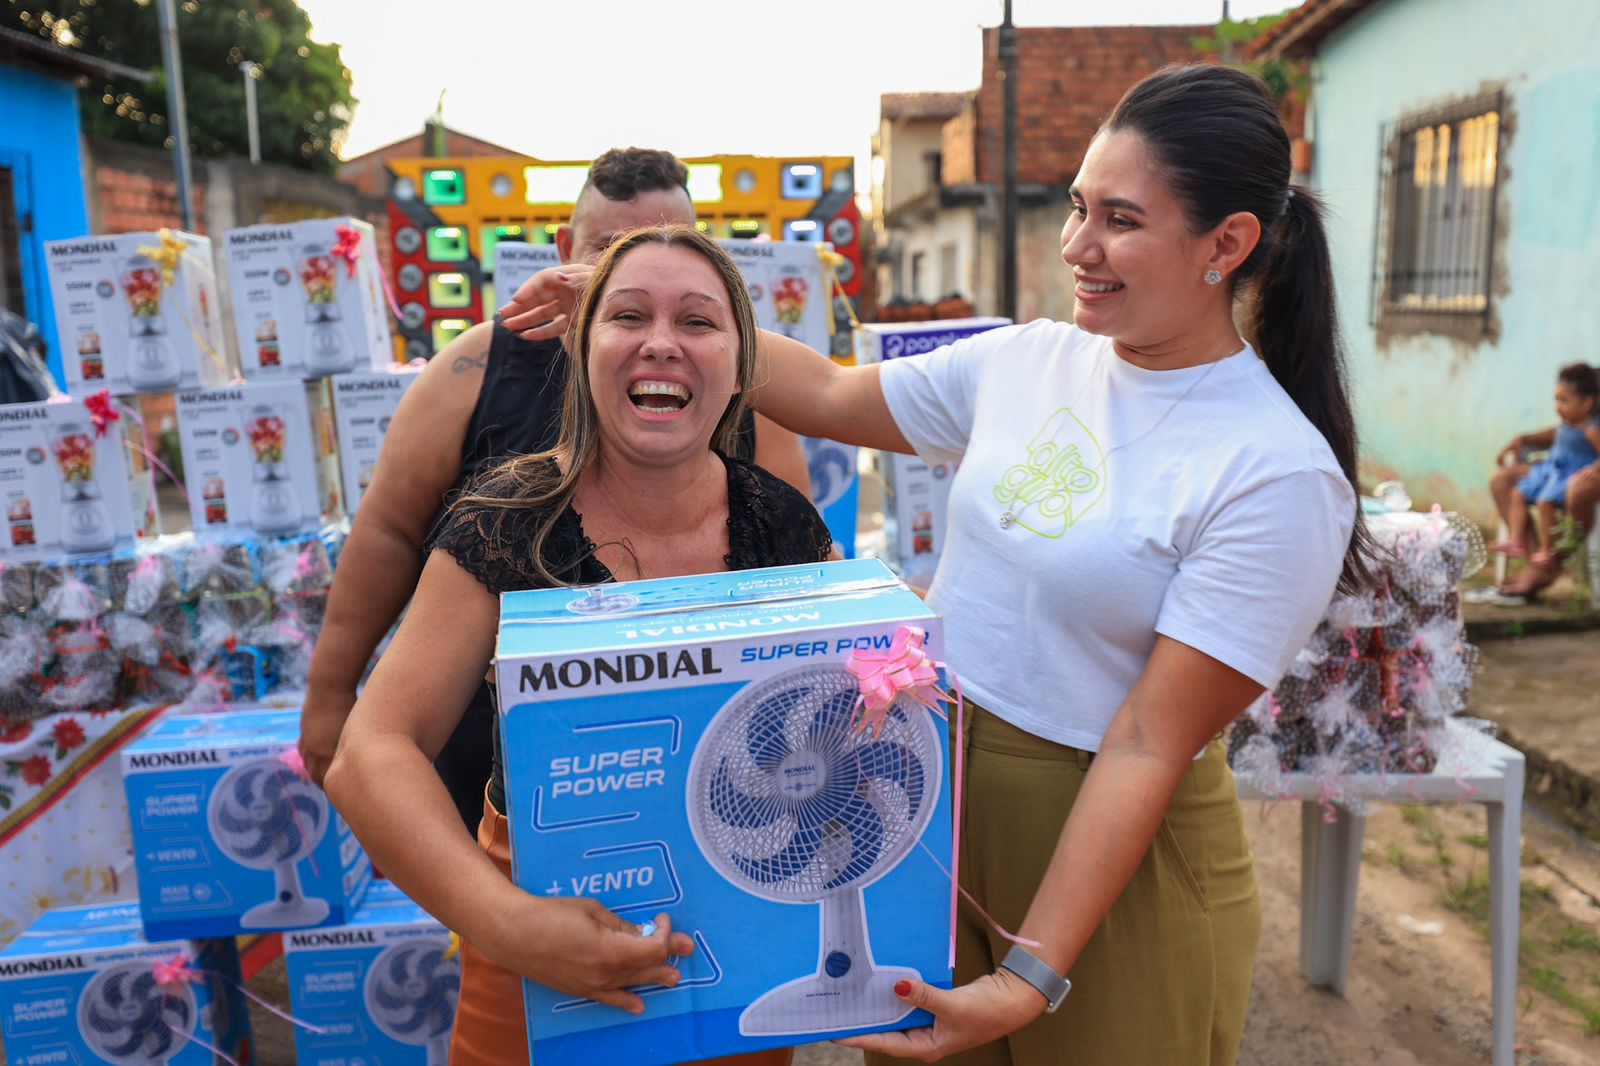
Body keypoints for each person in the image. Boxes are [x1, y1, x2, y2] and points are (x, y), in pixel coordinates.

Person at [507, 65, 1368, 1065]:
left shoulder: (1276, 471)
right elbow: (828, 392)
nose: (1078, 246)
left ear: (1228, 244)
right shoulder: (1028, 360)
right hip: (926, 812)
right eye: (1078, 207)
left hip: (1111, 860)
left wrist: (1028, 977)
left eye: (1120, 220)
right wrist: (647, 310)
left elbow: (1145, 740)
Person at [326, 226, 830, 1066]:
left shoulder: (782, 523)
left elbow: (848, 717)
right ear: (582, 350)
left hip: (745, 943)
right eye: (627, 316)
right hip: (535, 958)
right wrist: (510, 923)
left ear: (741, 368)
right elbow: (372, 751)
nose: (661, 342)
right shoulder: (506, 521)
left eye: (699, 323)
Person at [299, 148, 809, 830]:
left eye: (662, 247)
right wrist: (332, 695)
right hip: (498, 769)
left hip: (718, 778)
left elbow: (807, 592)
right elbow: (389, 532)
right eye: (607, 250)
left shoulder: (745, 394)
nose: (629, 271)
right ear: (566, 248)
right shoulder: (475, 371)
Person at [1489, 362, 1600, 567]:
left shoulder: (1591, 429)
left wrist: (1592, 471)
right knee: (1517, 494)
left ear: (1587, 403)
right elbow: (1552, 435)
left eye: (1564, 400)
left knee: (1545, 502)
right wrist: (1524, 439)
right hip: (1552, 470)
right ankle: (1516, 540)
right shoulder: (1567, 424)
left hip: (1570, 475)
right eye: (1556, 399)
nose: (1557, 406)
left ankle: (1547, 550)